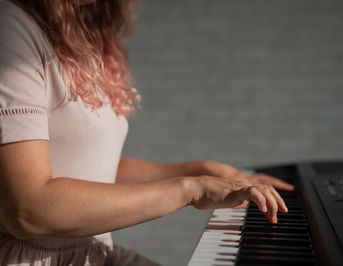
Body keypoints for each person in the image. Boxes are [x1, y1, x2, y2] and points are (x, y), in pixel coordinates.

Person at [0, 0, 294, 265]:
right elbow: (27, 209)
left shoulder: (86, 31)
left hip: (92, 253)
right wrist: (191, 188)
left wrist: (202, 169)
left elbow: (94, 170)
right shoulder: (10, 24)